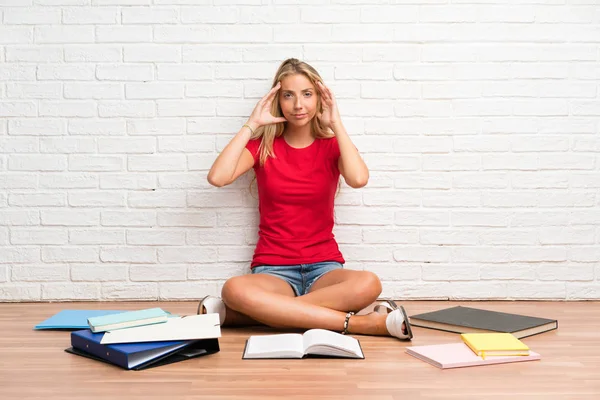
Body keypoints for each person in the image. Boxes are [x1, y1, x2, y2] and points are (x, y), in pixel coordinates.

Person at [199, 58, 412, 340]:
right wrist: (251, 123)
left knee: (369, 284)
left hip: (324, 268)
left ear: (319, 98)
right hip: (273, 270)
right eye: (289, 95)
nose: (298, 105)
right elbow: (218, 177)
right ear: (278, 100)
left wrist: (336, 123)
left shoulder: (332, 145)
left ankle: (255, 315)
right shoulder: (263, 147)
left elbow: (358, 179)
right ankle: (365, 325)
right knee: (234, 290)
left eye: (307, 94)